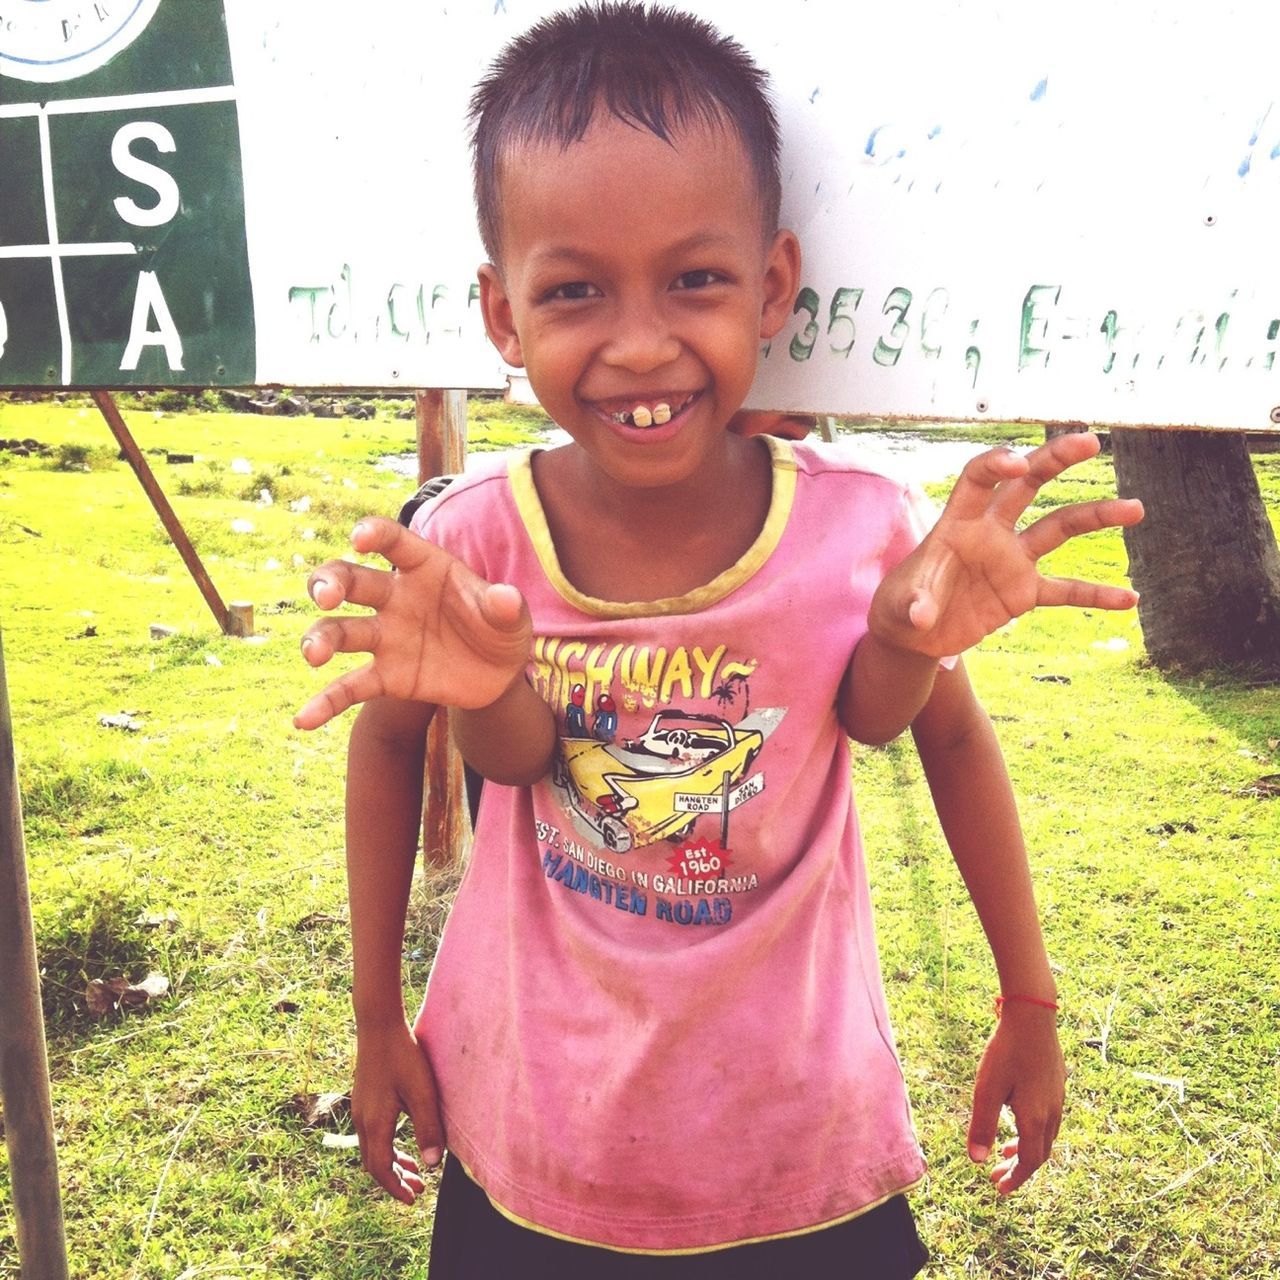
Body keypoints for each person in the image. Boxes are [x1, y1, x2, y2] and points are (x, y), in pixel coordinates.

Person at [294, 5, 1143, 1275]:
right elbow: (486, 756)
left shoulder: (856, 527)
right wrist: (374, 1014)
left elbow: (910, 725)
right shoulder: (471, 538)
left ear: (771, 287)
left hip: (800, 1151)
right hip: (532, 1149)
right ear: (502, 314)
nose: (641, 343)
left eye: (693, 279)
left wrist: (1027, 994)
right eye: (574, 290)